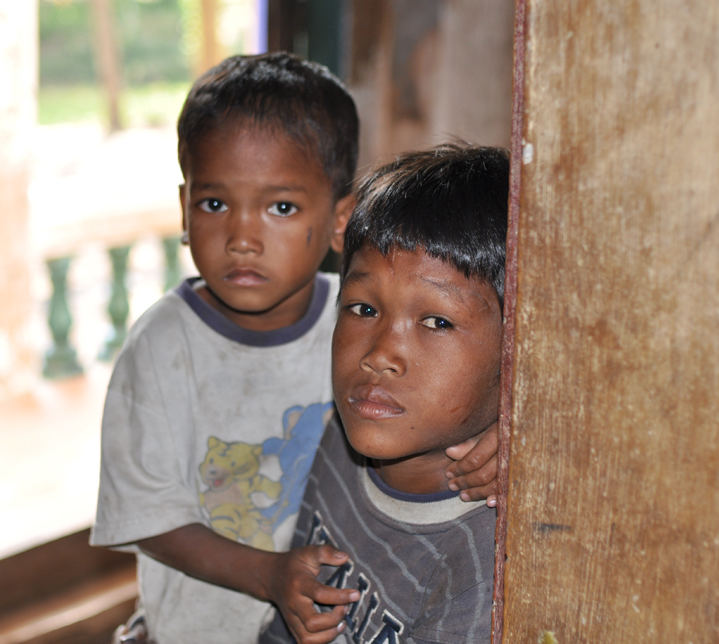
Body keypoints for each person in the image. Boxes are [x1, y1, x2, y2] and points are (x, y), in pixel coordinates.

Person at [90, 53, 498, 644]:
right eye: (214, 203)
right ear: (183, 209)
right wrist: (270, 576)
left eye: (280, 207)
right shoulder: (162, 348)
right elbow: (145, 515)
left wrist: (508, 435)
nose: (243, 237)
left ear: (339, 221)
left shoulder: (362, 318)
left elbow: (476, 383)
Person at [259, 143, 509, 644]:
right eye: (363, 309)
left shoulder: (486, 567)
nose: (379, 355)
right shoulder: (341, 438)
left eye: (436, 321)